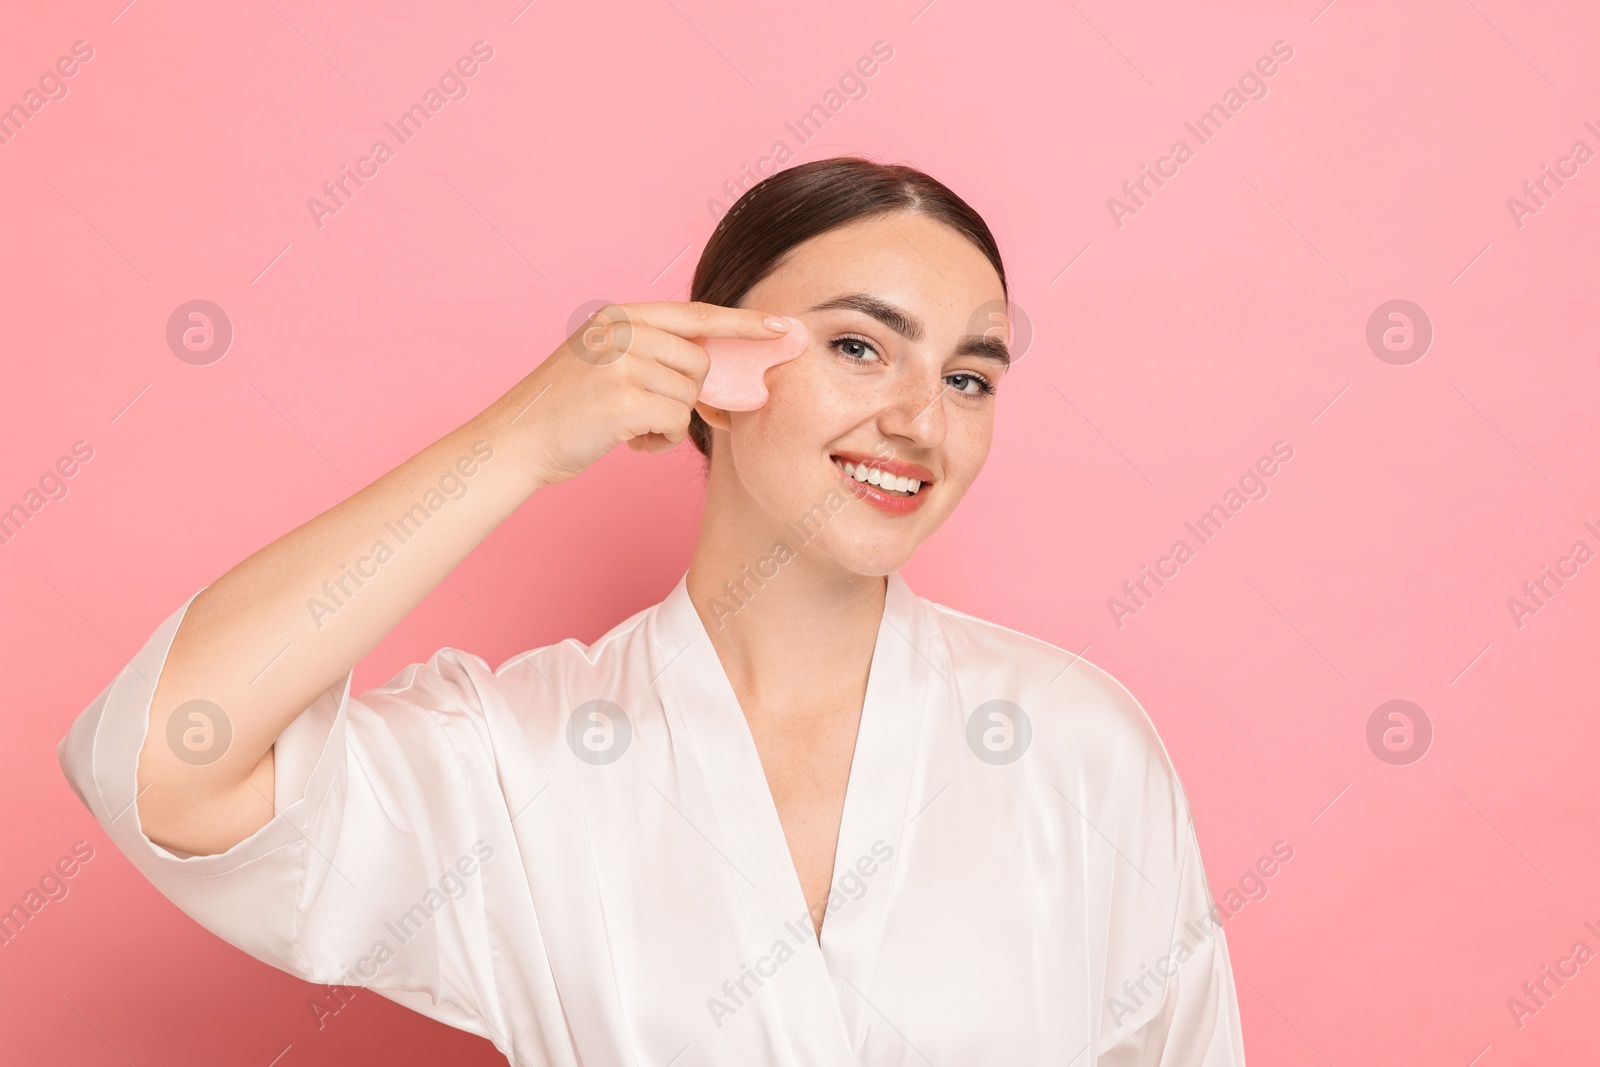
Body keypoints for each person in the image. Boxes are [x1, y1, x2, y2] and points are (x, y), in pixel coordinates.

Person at [58, 156, 1246, 1064]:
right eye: (857, 346)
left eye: (969, 377)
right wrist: (515, 441)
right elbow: (170, 759)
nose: (922, 421)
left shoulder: (1076, 743)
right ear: (712, 365)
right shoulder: (517, 760)